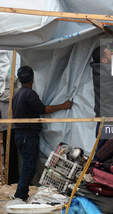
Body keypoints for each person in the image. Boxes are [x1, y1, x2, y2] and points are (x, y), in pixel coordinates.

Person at [12, 65, 72, 201]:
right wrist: (63, 106)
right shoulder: (29, 94)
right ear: (33, 78)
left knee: (28, 165)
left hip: (20, 134)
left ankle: (22, 194)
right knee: (29, 166)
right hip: (28, 135)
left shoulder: (18, 94)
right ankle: (19, 196)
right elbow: (42, 109)